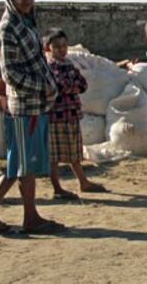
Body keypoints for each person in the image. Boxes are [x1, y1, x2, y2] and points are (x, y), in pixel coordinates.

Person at [0, 0, 65, 235]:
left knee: (23, 164)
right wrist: (45, 88)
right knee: (20, 164)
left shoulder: (27, 22)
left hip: (36, 106)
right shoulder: (8, 29)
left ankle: (23, 215)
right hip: (24, 106)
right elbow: (11, 74)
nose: (27, 1)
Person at [43, 28, 107, 200]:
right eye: (56, 47)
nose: (61, 50)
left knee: (74, 152)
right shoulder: (49, 67)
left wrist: (71, 87)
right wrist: (72, 87)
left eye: (64, 46)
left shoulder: (69, 65)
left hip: (71, 114)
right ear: (48, 48)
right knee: (54, 155)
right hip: (56, 116)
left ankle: (83, 182)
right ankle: (57, 187)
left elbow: (82, 84)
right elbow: (62, 85)